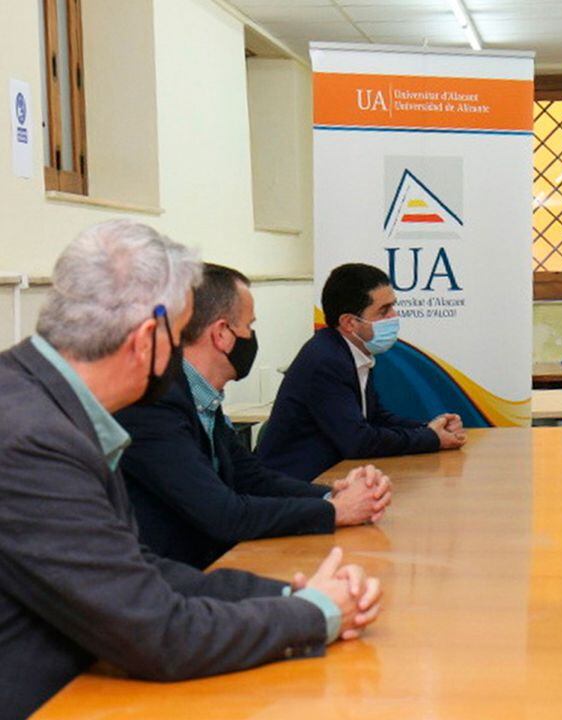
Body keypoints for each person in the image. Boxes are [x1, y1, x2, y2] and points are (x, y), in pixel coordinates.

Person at [0, 221, 381, 720]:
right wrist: (314, 614)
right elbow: (158, 634)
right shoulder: (34, 439)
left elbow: (138, 570)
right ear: (146, 341)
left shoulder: (44, 402)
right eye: (180, 339)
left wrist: (295, 594)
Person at [115, 264, 392, 569]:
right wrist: (336, 511)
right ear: (222, 334)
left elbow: (251, 477)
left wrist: (331, 495)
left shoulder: (200, 395)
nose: (252, 337)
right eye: (249, 326)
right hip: (176, 579)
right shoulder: (154, 404)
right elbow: (223, 513)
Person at [258, 263, 466, 482]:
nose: (394, 316)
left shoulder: (351, 351)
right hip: (295, 486)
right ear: (349, 322)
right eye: (384, 310)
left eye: (393, 307)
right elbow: (358, 440)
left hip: (330, 476)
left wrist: (429, 428)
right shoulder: (326, 360)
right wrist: (432, 439)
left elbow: (374, 417)